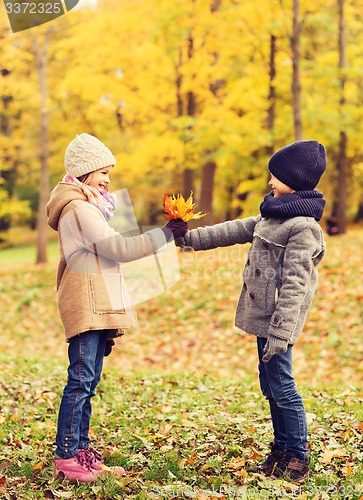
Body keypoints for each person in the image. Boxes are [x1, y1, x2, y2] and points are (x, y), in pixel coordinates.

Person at [165, 140, 327, 482]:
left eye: (276, 176)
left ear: (295, 180)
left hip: (279, 323)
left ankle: (297, 456)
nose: (270, 181)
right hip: (262, 319)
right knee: (270, 385)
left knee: (283, 387)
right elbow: (231, 230)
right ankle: (281, 450)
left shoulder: (303, 228)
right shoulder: (272, 215)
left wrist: (281, 333)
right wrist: (187, 238)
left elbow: (296, 285)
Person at [46, 133, 170, 483]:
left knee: (89, 380)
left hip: (95, 302)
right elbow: (119, 248)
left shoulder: (86, 206)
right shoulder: (80, 208)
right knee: (81, 380)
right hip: (86, 303)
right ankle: (67, 455)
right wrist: (165, 234)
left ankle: (81, 451)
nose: (108, 180)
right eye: (103, 172)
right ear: (85, 172)